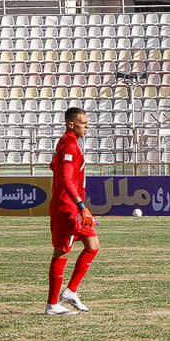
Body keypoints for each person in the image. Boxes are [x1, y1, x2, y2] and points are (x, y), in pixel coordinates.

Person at [46, 107, 100, 316]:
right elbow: (67, 179)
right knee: (62, 253)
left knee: (93, 244)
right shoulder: (69, 145)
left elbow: (54, 167)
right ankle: (52, 304)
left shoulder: (69, 142)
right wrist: (81, 205)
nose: (87, 126)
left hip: (72, 207)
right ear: (71, 124)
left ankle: (70, 292)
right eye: (83, 122)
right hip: (67, 209)